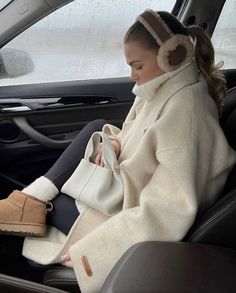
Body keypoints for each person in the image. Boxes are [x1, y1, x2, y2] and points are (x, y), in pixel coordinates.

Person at [0, 9, 235, 293]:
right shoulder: (162, 89)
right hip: (122, 189)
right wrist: (115, 142)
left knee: (44, 211)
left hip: (126, 210)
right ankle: (25, 202)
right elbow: (140, 136)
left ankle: (26, 204)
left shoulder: (186, 112)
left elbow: (168, 209)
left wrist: (99, 251)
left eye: (137, 66)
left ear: (172, 55)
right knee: (98, 127)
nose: (132, 76)